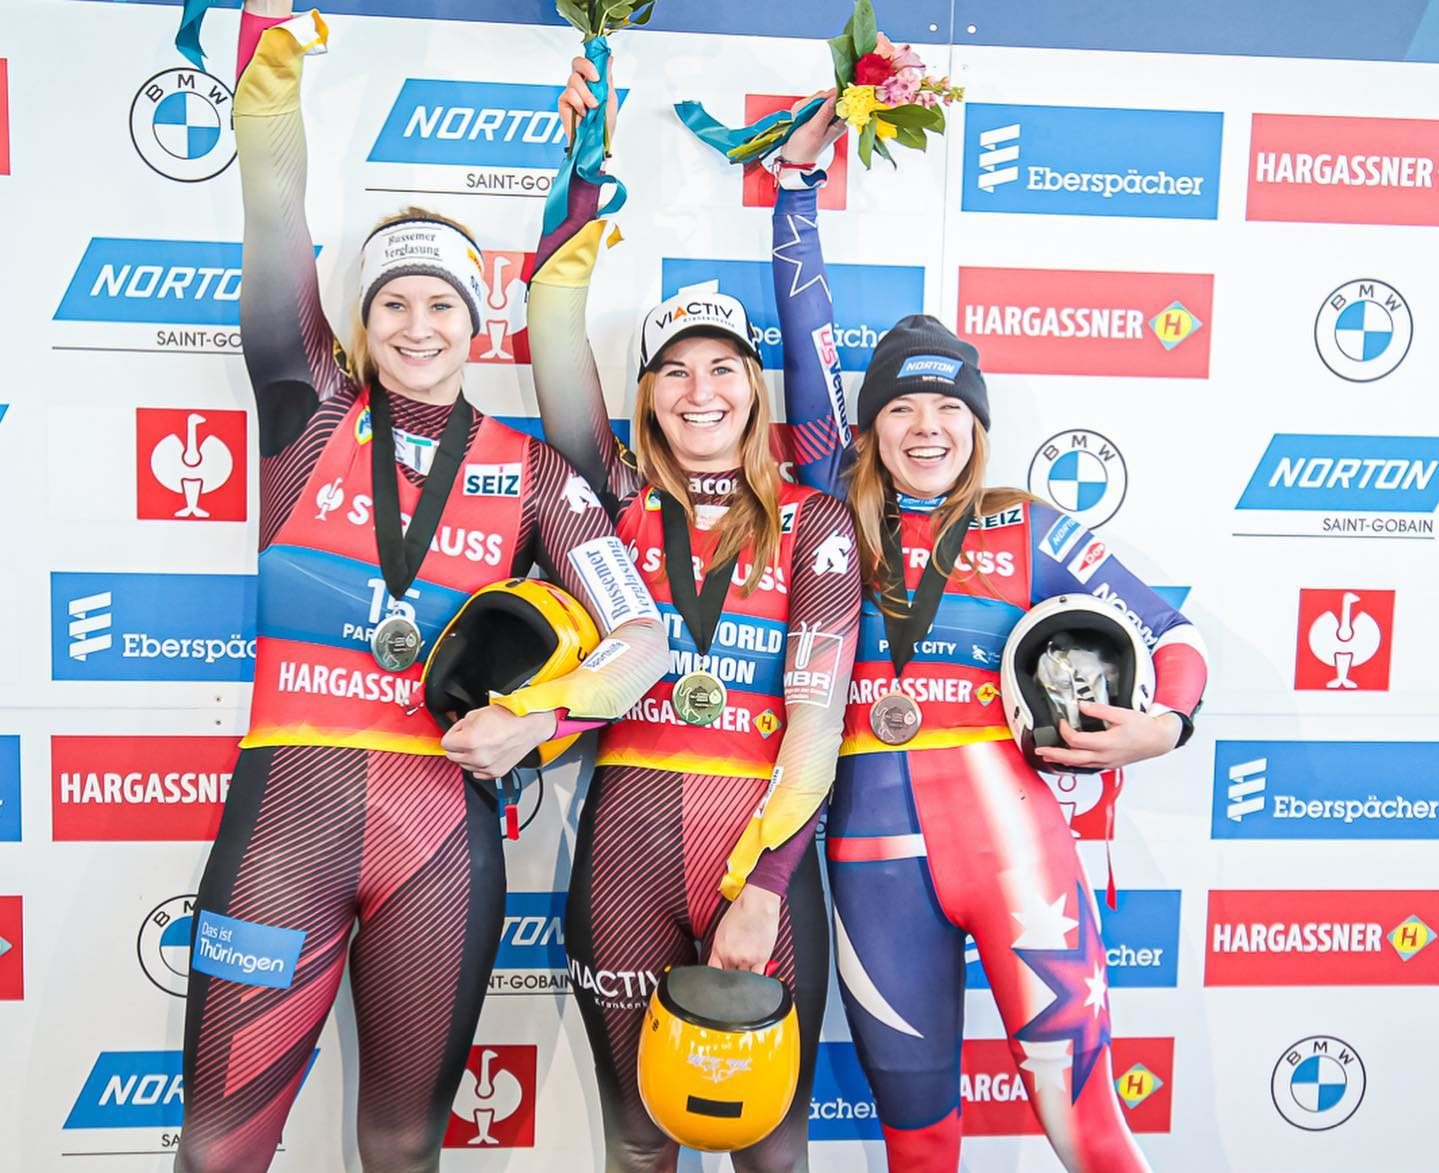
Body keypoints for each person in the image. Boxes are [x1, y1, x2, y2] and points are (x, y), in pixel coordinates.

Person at [174, 6, 667, 1172]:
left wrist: (540, 722)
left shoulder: (533, 470)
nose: (415, 324)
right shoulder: (306, 412)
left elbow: (640, 637)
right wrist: (272, 81)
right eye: (391, 302)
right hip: (282, 829)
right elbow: (273, 212)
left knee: (402, 1150)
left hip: (440, 833)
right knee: (216, 1150)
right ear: (358, 321)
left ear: (474, 320)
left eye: (440, 303)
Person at [766, 100, 1209, 1172]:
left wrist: (1165, 727)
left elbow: (1176, 635)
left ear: (974, 426)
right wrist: (793, 189)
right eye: (903, 412)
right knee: (917, 1146)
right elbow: (803, 332)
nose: (927, 429)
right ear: (867, 426)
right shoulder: (828, 502)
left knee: (1091, 1132)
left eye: (949, 412)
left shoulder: (1026, 522)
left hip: (1016, 852)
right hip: (868, 860)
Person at [523, 56, 862, 1173]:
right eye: (674, 371)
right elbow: (553, 333)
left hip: (757, 849)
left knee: (770, 1144)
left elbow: (817, 729)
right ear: (647, 396)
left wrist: (764, 886)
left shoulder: (813, 524)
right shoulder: (609, 495)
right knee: (635, 1140)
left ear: (755, 393)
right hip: (620, 849)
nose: (700, 391)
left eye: (724, 368)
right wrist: (573, 183)